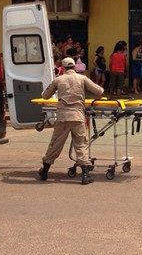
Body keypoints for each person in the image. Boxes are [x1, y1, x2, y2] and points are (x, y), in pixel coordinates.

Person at [38, 57, 104, 185]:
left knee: (55, 144)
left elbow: (45, 96)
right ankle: (85, 175)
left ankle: (45, 171)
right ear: (74, 67)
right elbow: (99, 91)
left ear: (63, 68)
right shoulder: (82, 78)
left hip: (62, 117)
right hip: (78, 117)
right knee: (81, 145)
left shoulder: (58, 80)